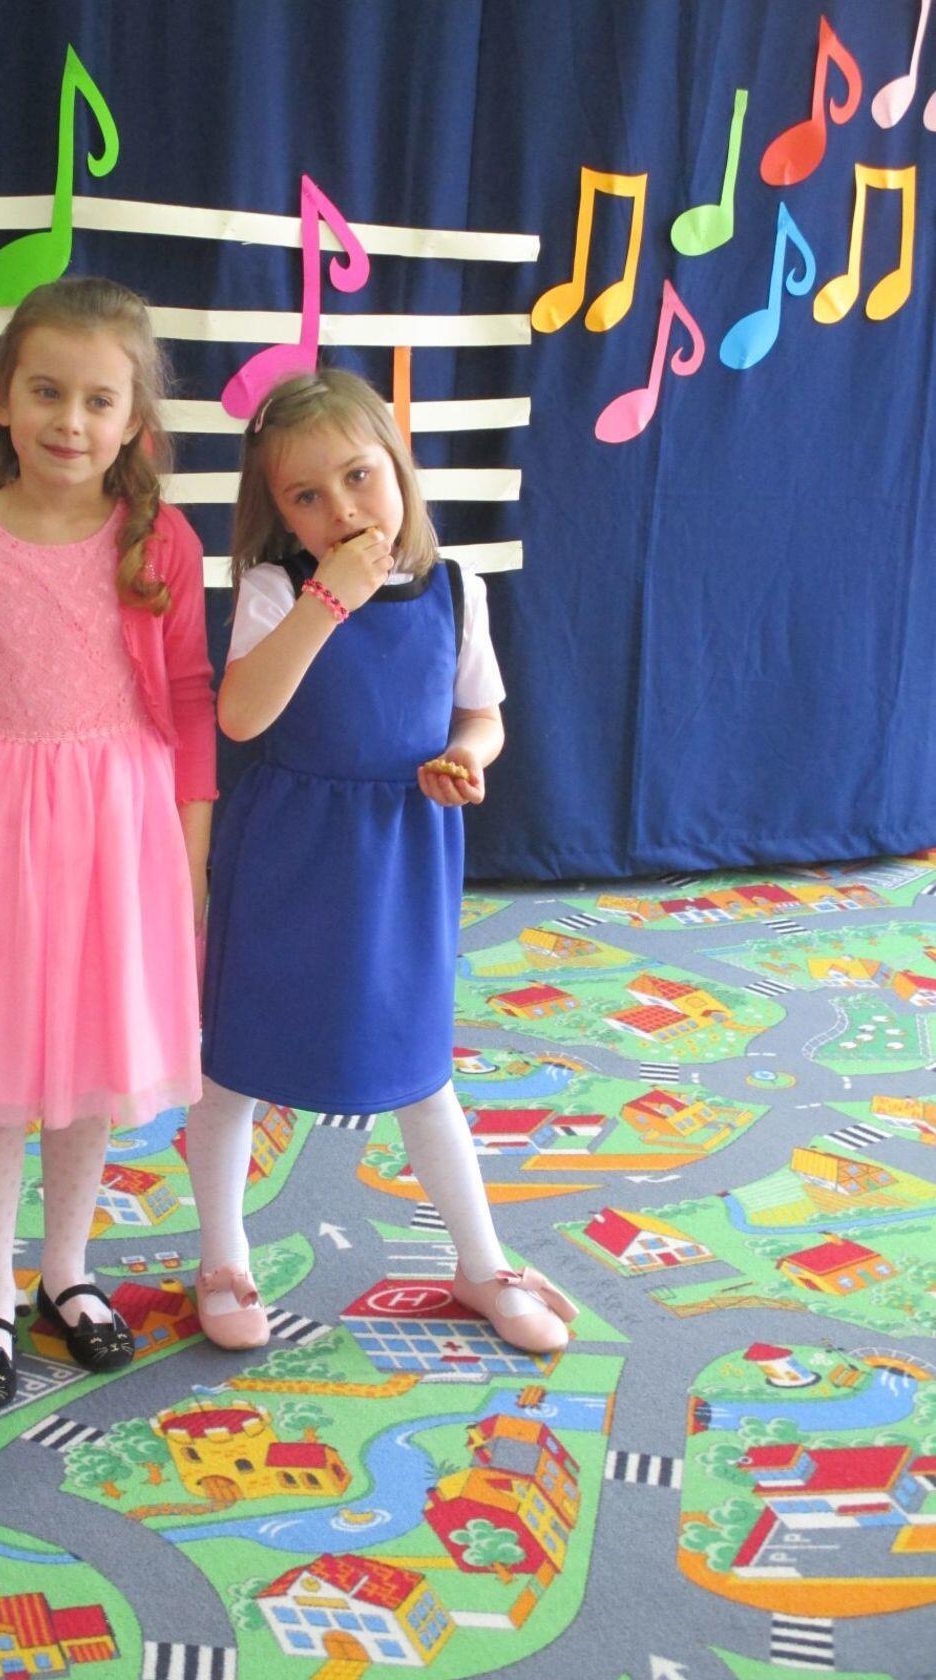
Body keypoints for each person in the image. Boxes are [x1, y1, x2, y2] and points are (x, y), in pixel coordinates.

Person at [187, 368, 577, 1355]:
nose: (342, 510)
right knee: (234, 1065)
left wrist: (468, 758)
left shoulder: (455, 589)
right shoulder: (277, 588)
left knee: (418, 1067)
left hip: (401, 857)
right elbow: (241, 716)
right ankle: (223, 1258)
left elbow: (481, 715)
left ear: (398, 471)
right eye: (306, 496)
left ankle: (480, 1263)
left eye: (359, 477)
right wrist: (329, 598)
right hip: (287, 857)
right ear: (277, 512)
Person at [0, 276, 216, 1410]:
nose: (70, 420)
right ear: (3, 398)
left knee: (87, 1061)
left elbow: (188, 704)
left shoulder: (158, 539)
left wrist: (189, 859)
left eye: (98, 400)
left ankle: (65, 1273)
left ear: (133, 421)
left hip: (122, 828)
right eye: (46, 391)